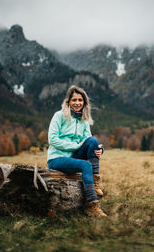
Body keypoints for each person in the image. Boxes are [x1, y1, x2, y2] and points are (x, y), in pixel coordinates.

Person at [47, 85, 107, 217]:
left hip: (73, 157)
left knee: (93, 140)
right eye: (74, 100)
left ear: (84, 102)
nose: (77, 103)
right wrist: (74, 145)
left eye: (80, 100)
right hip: (56, 159)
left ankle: (95, 181)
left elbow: (88, 141)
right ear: (68, 101)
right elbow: (52, 139)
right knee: (86, 165)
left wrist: (99, 149)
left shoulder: (83, 120)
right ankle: (91, 205)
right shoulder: (59, 116)